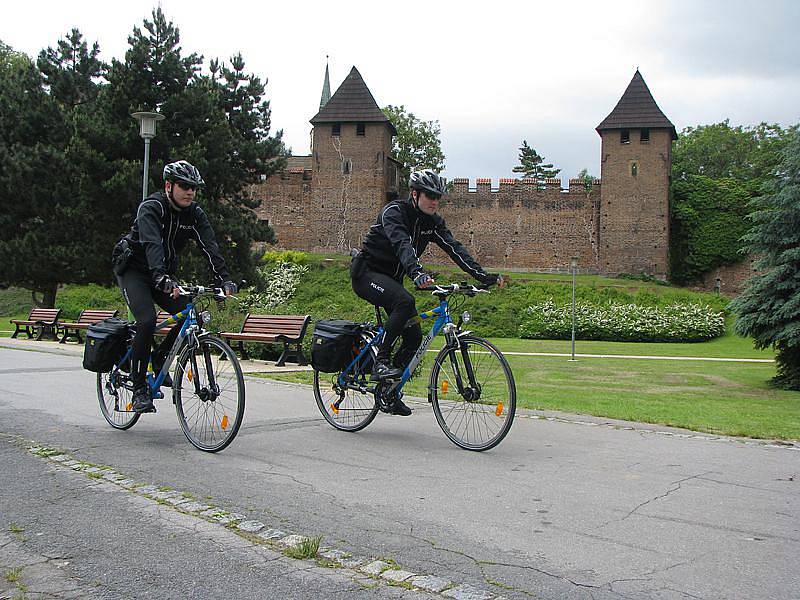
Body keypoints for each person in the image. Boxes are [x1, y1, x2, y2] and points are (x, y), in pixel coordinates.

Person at [351, 169, 505, 416]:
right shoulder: (394, 213)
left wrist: (482, 276)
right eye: (429, 196)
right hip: (367, 275)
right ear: (414, 194)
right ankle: (380, 363)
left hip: (392, 280)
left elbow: (455, 249)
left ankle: (389, 391)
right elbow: (402, 244)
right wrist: (417, 273)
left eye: (438, 197)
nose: (435, 201)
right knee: (404, 301)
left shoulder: (432, 223)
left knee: (413, 337)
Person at [112, 160, 236, 414]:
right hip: (135, 272)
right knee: (146, 321)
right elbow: (152, 244)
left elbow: (209, 246)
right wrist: (160, 277)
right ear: (169, 185)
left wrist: (223, 278)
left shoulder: (194, 213)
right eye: (184, 186)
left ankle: (159, 360)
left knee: (187, 313)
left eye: (194, 187)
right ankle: (139, 390)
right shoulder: (151, 208)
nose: (190, 191)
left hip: (163, 274)